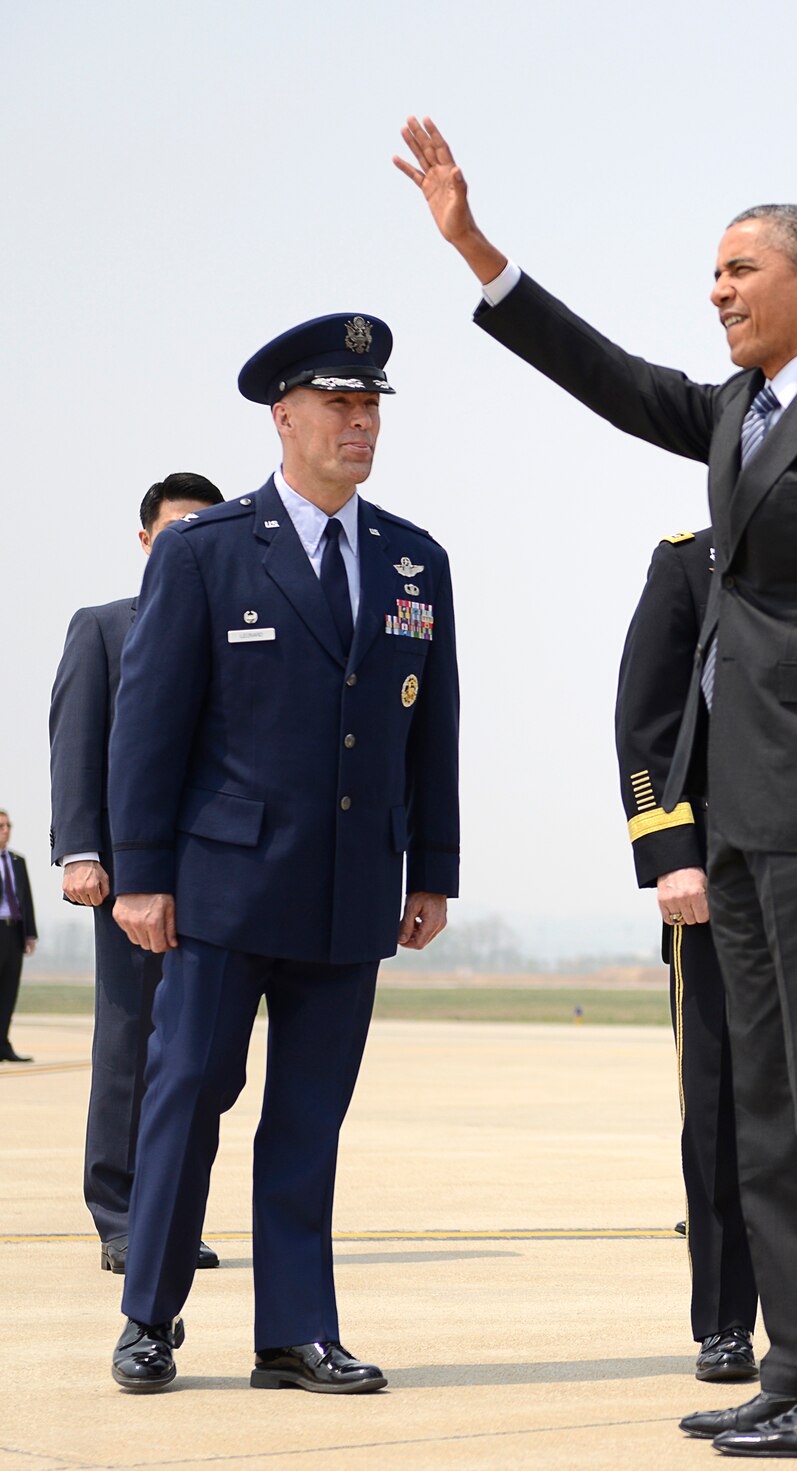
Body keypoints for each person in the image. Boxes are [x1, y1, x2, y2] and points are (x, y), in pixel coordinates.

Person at [396, 118, 797, 1458]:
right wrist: (479, 251)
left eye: (739, 268)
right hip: (746, 811)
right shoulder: (739, 416)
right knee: (764, 1105)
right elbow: (608, 378)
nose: (716, 290)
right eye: (711, 274)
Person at [105, 314, 460, 1394]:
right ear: (285, 416)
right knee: (187, 1097)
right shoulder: (208, 551)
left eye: (372, 408)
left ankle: (295, 1331)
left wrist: (432, 865)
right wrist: (143, 873)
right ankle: (150, 1315)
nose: (360, 425)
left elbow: (430, 724)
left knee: (309, 1119)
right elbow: (149, 723)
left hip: (352, 890)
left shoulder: (413, 558)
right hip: (222, 888)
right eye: (341, 407)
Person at [50, 472, 226, 1271]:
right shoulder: (103, 628)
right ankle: (120, 1216)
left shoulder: (240, 630)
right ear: (148, 540)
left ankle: (172, 1218)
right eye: (175, 528)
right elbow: (76, 742)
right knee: (128, 1046)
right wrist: (81, 851)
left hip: (222, 879)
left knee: (199, 1056)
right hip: (128, 879)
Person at [615, 526, 759, 1384]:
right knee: (717, 1107)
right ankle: (726, 1322)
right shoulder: (687, 563)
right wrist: (672, 852)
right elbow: (646, 718)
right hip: (715, 872)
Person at [0, 810, 38, 1063]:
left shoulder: (17, 860)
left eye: (8, 825)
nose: (6, 830)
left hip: (13, 932)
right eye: (1, 826)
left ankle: (2, 1045)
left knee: (8, 990)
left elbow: (26, 898)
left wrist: (30, 934)